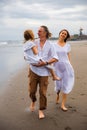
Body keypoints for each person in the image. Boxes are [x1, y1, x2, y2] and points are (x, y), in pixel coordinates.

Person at [27, 26, 59, 119]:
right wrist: (29, 59)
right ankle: (33, 100)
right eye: (38, 31)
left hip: (44, 71)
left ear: (45, 33)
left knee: (43, 92)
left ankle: (41, 110)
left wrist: (46, 62)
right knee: (32, 91)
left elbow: (55, 58)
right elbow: (26, 55)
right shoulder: (33, 43)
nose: (38, 33)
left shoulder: (51, 45)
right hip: (33, 70)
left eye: (40, 31)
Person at [53, 29, 74, 111]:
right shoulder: (53, 45)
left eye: (65, 34)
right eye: (62, 33)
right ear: (59, 34)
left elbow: (68, 56)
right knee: (58, 85)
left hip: (66, 67)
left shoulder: (67, 45)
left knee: (65, 85)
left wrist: (70, 65)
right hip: (57, 67)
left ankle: (63, 104)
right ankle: (57, 94)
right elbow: (52, 56)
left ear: (66, 36)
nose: (63, 34)